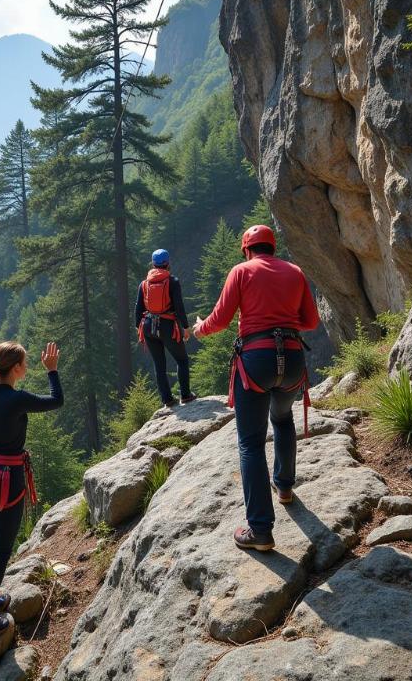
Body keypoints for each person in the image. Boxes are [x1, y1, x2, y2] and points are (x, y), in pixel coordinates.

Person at [193, 225, 319, 552]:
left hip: (255, 360)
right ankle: (285, 486)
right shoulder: (295, 272)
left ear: (247, 249)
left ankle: (260, 529)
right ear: (272, 247)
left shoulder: (241, 271)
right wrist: (284, 319)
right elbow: (310, 321)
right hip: (291, 359)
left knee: (250, 442)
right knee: (283, 419)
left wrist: (198, 330)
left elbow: (220, 320)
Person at [0, 341, 63, 637]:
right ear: (16, 368)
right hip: (3, 481)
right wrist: (52, 371)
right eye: (25, 361)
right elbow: (56, 400)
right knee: (2, 549)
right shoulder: (16, 398)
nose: (29, 364)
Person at [135, 248, 197, 407]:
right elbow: (179, 307)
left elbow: (138, 308)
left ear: (153, 264)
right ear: (168, 263)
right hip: (168, 326)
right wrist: (185, 327)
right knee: (182, 360)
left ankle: (167, 400)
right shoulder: (173, 281)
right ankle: (185, 395)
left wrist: (138, 327)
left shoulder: (144, 284)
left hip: (148, 326)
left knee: (159, 364)